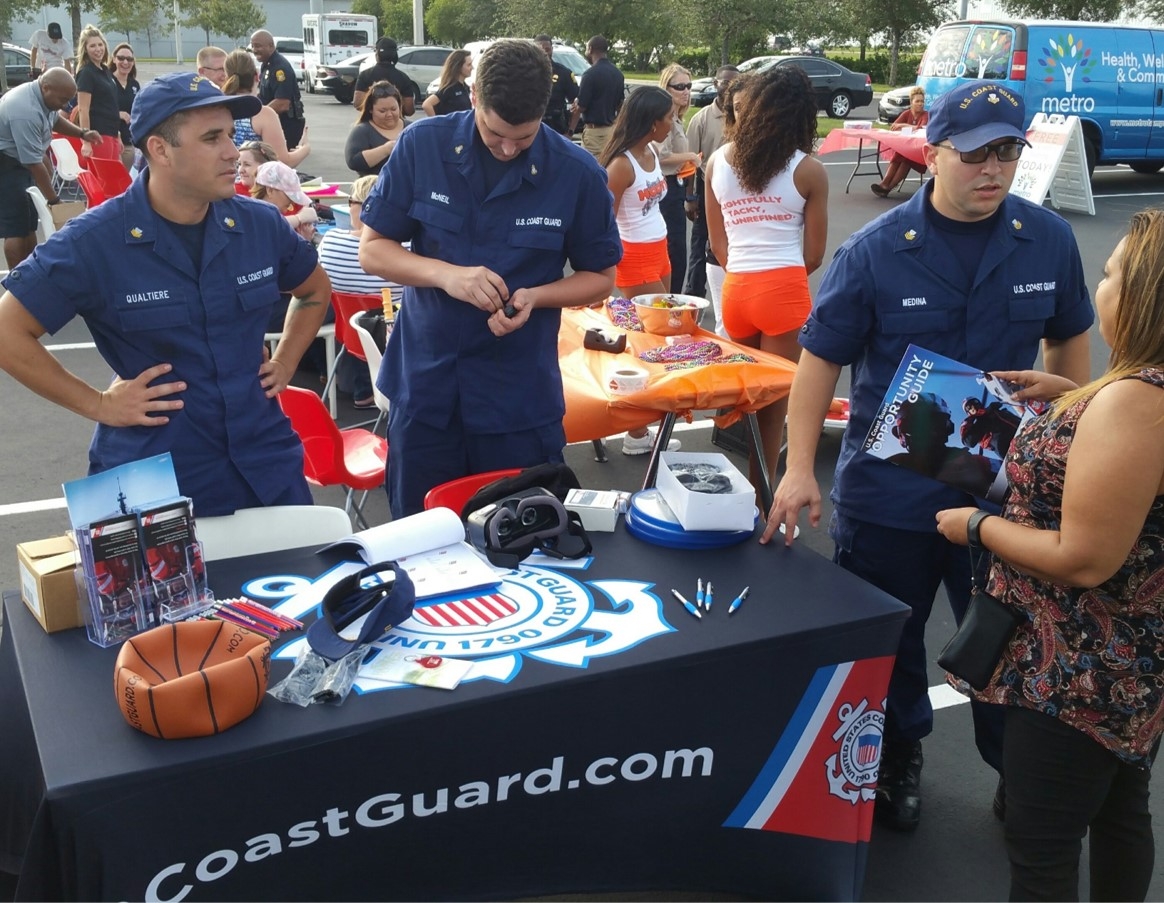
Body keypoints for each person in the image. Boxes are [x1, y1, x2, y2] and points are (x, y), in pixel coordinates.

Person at [763, 81, 1094, 832]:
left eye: (1007, 151)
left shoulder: (1046, 239)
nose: (993, 169)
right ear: (933, 152)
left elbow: (1069, 348)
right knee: (893, 639)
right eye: (976, 154)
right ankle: (895, 755)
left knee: (1010, 639)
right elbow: (819, 362)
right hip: (892, 493)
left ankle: (1014, 771)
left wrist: (1069, 416)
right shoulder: (876, 250)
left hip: (1002, 492)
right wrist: (798, 467)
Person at [935, 209, 1164, 902]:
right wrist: (1073, 398)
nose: (1101, 285)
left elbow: (1084, 557)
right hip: (1127, 660)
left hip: (1075, 669)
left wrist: (977, 527)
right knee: (1121, 809)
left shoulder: (1135, 403)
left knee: (1042, 850)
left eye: (1111, 273)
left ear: (1143, 296)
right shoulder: (1134, 393)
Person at [0, 72, 331, 517]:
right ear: (159, 150)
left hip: (264, 461)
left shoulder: (259, 224)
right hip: (155, 478)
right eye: (212, 138)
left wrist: (287, 361)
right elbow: (7, 331)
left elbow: (314, 289)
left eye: (230, 135)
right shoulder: (95, 240)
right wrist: (98, 404)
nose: (232, 152)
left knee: (296, 562)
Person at [359, 38, 621, 517]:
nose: (507, 148)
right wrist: (445, 276)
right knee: (421, 537)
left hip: (517, 401)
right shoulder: (423, 145)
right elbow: (373, 250)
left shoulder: (576, 172)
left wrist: (537, 297)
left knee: (522, 541)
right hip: (427, 392)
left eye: (523, 138)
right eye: (495, 132)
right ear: (474, 95)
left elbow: (601, 277)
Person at [705, 65, 828, 491]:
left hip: (736, 288)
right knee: (773, 409)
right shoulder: (808, 170)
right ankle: (761, 503)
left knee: (746, 396)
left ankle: (737, 495)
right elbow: (814, 254)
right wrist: (781, 277)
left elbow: (717, 243)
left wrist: (745, 270)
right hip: (783, 291)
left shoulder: (717, 162)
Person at [599, 86, 684, 457]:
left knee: (658, 338)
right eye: (669, 118)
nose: (672, 124)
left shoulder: (651, 152)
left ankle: (640, 426)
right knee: (649, 341)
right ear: (652, 123)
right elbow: (604, 223)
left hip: (660, 250)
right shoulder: (621, 165)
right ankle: (635, 431)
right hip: (633, 257)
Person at [318, 174, 404, 407]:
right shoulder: (408, 251)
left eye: (351, 202)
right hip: (394, 342)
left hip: (349, 334)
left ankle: (359, 388)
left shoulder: (330, 241)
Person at [0, 69, 99, 268]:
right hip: (7, 166)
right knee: (16, 228)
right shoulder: (25, 111)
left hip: (19, 162)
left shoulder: (43, 96)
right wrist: (54, 200)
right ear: (46, 87)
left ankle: (30, 271)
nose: (65, 105)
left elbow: (55, 120)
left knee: (29, 223)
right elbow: (34, 164)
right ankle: (16, 278)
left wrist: (82, 133)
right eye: (63, 100)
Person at [683, 64, 737, 312]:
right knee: (700, 241)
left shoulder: (742, 115)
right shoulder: (702, 119)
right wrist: (690, 197)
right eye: (724, 82)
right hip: (707, 186)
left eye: (734, 82)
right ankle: (693, 296)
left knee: (731, 242)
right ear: (715, 84)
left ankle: (730, 293)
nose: (728, 87)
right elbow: (690, 162)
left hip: (736, 189)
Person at [652, 63, 700, 292]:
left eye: (688, 86)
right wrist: (690, 156)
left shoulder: (677, 117)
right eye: (679, 86)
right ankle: (669, 297)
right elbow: (660, 154)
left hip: (677, 184)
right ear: (666, 87)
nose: (686, 91)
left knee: (677, 248)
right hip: (666, 187)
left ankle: (672, 295)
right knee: (674, 249)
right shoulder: (665, 118)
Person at [223, 49, 310, 169]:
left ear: (226, 77)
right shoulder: (262, 114)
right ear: (257, 76)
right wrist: (305, 148)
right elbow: (282, 162)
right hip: (254, 180)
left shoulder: (218, 111)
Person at [251, 29, 306, 149]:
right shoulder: (267, 65)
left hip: (286, 125)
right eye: (253, 46)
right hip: (275, 123)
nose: (254, 50)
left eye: (258, 46)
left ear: (271, 46)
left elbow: (282, 103)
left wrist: (259, 116)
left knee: (280, 159)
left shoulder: (280, 68)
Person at [74, 24, 122, 161]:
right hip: (98, 136)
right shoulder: (86, 73)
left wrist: (118, 136)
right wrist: (86, 141)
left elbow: (112, 105)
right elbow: (83, 109)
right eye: (92, 46)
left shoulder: (105, 71)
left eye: (100, 45)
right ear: (85, 49)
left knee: (113, 172)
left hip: (112, 134)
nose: (98, 49)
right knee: (102, 173)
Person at [872, 86, 929, 197]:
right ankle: (884, 183)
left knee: (907, 159)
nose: (920, 104)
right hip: (906, 147)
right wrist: (905, 126)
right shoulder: (906, 113)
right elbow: (894, 126)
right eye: (917, 101)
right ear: (911, 102)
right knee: (898, 156)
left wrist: (904, 125)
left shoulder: (925, 115)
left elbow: (921, 128)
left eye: (922, 101)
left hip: (919, 150)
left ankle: (888, 188)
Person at [575, 35, 623, 158]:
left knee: (590, 164)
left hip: (594, 132)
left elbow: (582, 106)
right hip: (610, 130)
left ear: (590, 49)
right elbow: (620, 105)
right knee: (608, 163)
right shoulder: (618, 74)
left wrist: (576, 104)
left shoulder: (589, 74)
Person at [345, 81, 406, 176]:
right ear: (371, 110)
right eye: (382, 111)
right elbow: (353, 162)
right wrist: (386, 149)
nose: (389, 114)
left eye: (393, 109)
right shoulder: (362, 131)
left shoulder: (412, 128)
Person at [252, 160, 318, 243]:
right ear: (270, 191)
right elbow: (268, 226)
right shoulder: (252, 214)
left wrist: (304, 241)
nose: (292, 202)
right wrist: (299, 218)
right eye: (289, 195)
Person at [354, 38, 415, 116]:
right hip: (395, 121)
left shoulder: (365, 75)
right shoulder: (403, 78)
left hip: (371, 121)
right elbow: (409, 110)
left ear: (377, 54)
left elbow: (358, 103)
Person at [535, 35, 578, 135]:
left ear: (552, 49)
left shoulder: (564, 73)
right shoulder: (524, 73)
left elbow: (577, 104)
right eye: (540, 49)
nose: (544, 52)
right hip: (531, 129)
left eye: (547, 49)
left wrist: (570, 132)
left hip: (557, 128)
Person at [110, 43, 139, 170]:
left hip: (128, 142)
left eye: (129, 59)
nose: (125, 62)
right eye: (121, 58)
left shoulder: (134, 85)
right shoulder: (106, 81)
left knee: (124, 177)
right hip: (110, 139)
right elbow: (95, 109)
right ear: (114, 59)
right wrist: (117, 114)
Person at [422, 50, 472, 118]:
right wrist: (437, 122)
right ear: (458, 66)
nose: (472, 68)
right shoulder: (450, 88)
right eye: (469, 65)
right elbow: (427, 104)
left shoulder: (465, 87)